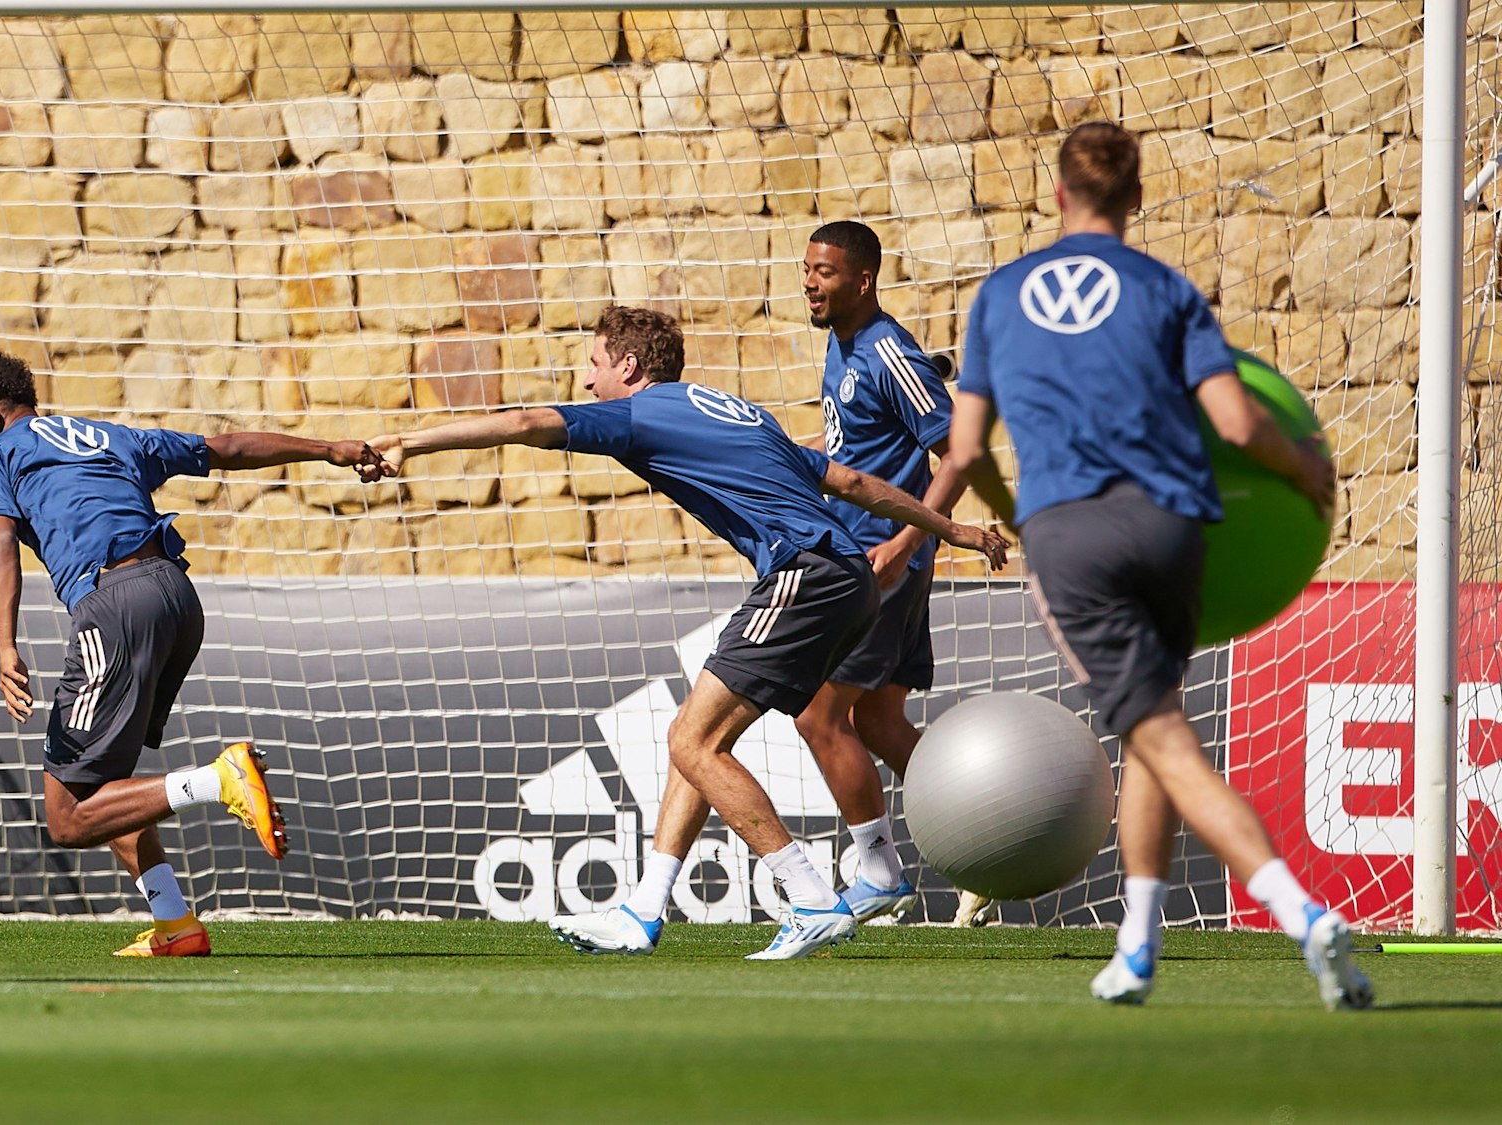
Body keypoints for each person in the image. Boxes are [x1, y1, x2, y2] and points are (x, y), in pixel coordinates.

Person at [370, 307, 1008, 959]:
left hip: (806, 572)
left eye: (593, 366)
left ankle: (809, 895)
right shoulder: (736, 409)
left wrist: (411, 443)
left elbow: (526, 422)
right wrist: (950, 528)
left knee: (693, 741)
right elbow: (849, 480)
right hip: (849, 580)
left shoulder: (637, 415)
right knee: (695, 738)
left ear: (629, 366)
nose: (587, 383)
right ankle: (644, 909)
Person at [947, 122, 1370, 1010]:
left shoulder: (999, 296)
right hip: (1175, 530)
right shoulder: (1167, 290)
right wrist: (1311, 472)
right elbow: (1240, 423)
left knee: (1165, 740)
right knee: (1153, 728)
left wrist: (1018, 521)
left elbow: (966, 450)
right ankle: (1136, 946)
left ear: (1058, 194)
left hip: (1074, 535)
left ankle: (1302, 913)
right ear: (1135, 199)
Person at [548, 224, 982, 956]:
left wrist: (912, 540)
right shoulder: (842, 346)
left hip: (857, 559)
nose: (810, 282)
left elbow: (957, 449)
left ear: (864, 278)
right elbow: (848, 459)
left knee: (795, 720)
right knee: (861, 721)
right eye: (806, 269)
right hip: (849, 553)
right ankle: (977, 827)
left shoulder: (883, 349)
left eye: (825, 271)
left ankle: (865, 874)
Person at [0, 351, 383, 957]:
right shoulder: (114, 437)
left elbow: (0, 541)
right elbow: (226, 448)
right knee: (107, 783)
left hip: (117, 605)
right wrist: (327, 449)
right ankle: (175, 922)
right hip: (176, 596)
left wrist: (6, 645)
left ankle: (215, 780)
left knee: (68, 816)